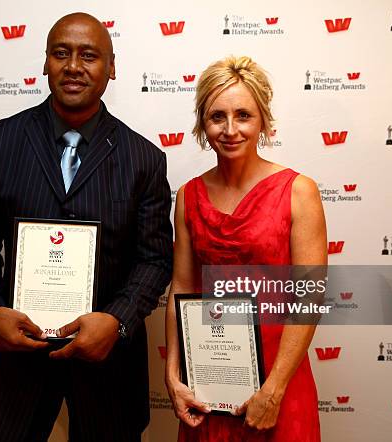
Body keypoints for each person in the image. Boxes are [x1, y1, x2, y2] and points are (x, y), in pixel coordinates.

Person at [0, 12, 173, 442]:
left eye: (89, 55)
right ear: (45, 63)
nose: (74, 66)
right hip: (19, 363)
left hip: (109, 365)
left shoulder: (144, 158)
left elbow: (154, 260)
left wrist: (117, 321)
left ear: (112, 67)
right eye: (61, 53)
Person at [164, 56, 327, 441]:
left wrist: (274, 389)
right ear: (203, 124)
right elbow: (182, 288)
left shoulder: (298, 191)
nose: (230, 129)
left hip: (278, 382)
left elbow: (309, 297)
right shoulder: (189, 195)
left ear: (264, 121)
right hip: (209, 383)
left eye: (244, 115)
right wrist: (173, 374)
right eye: (217, 117)